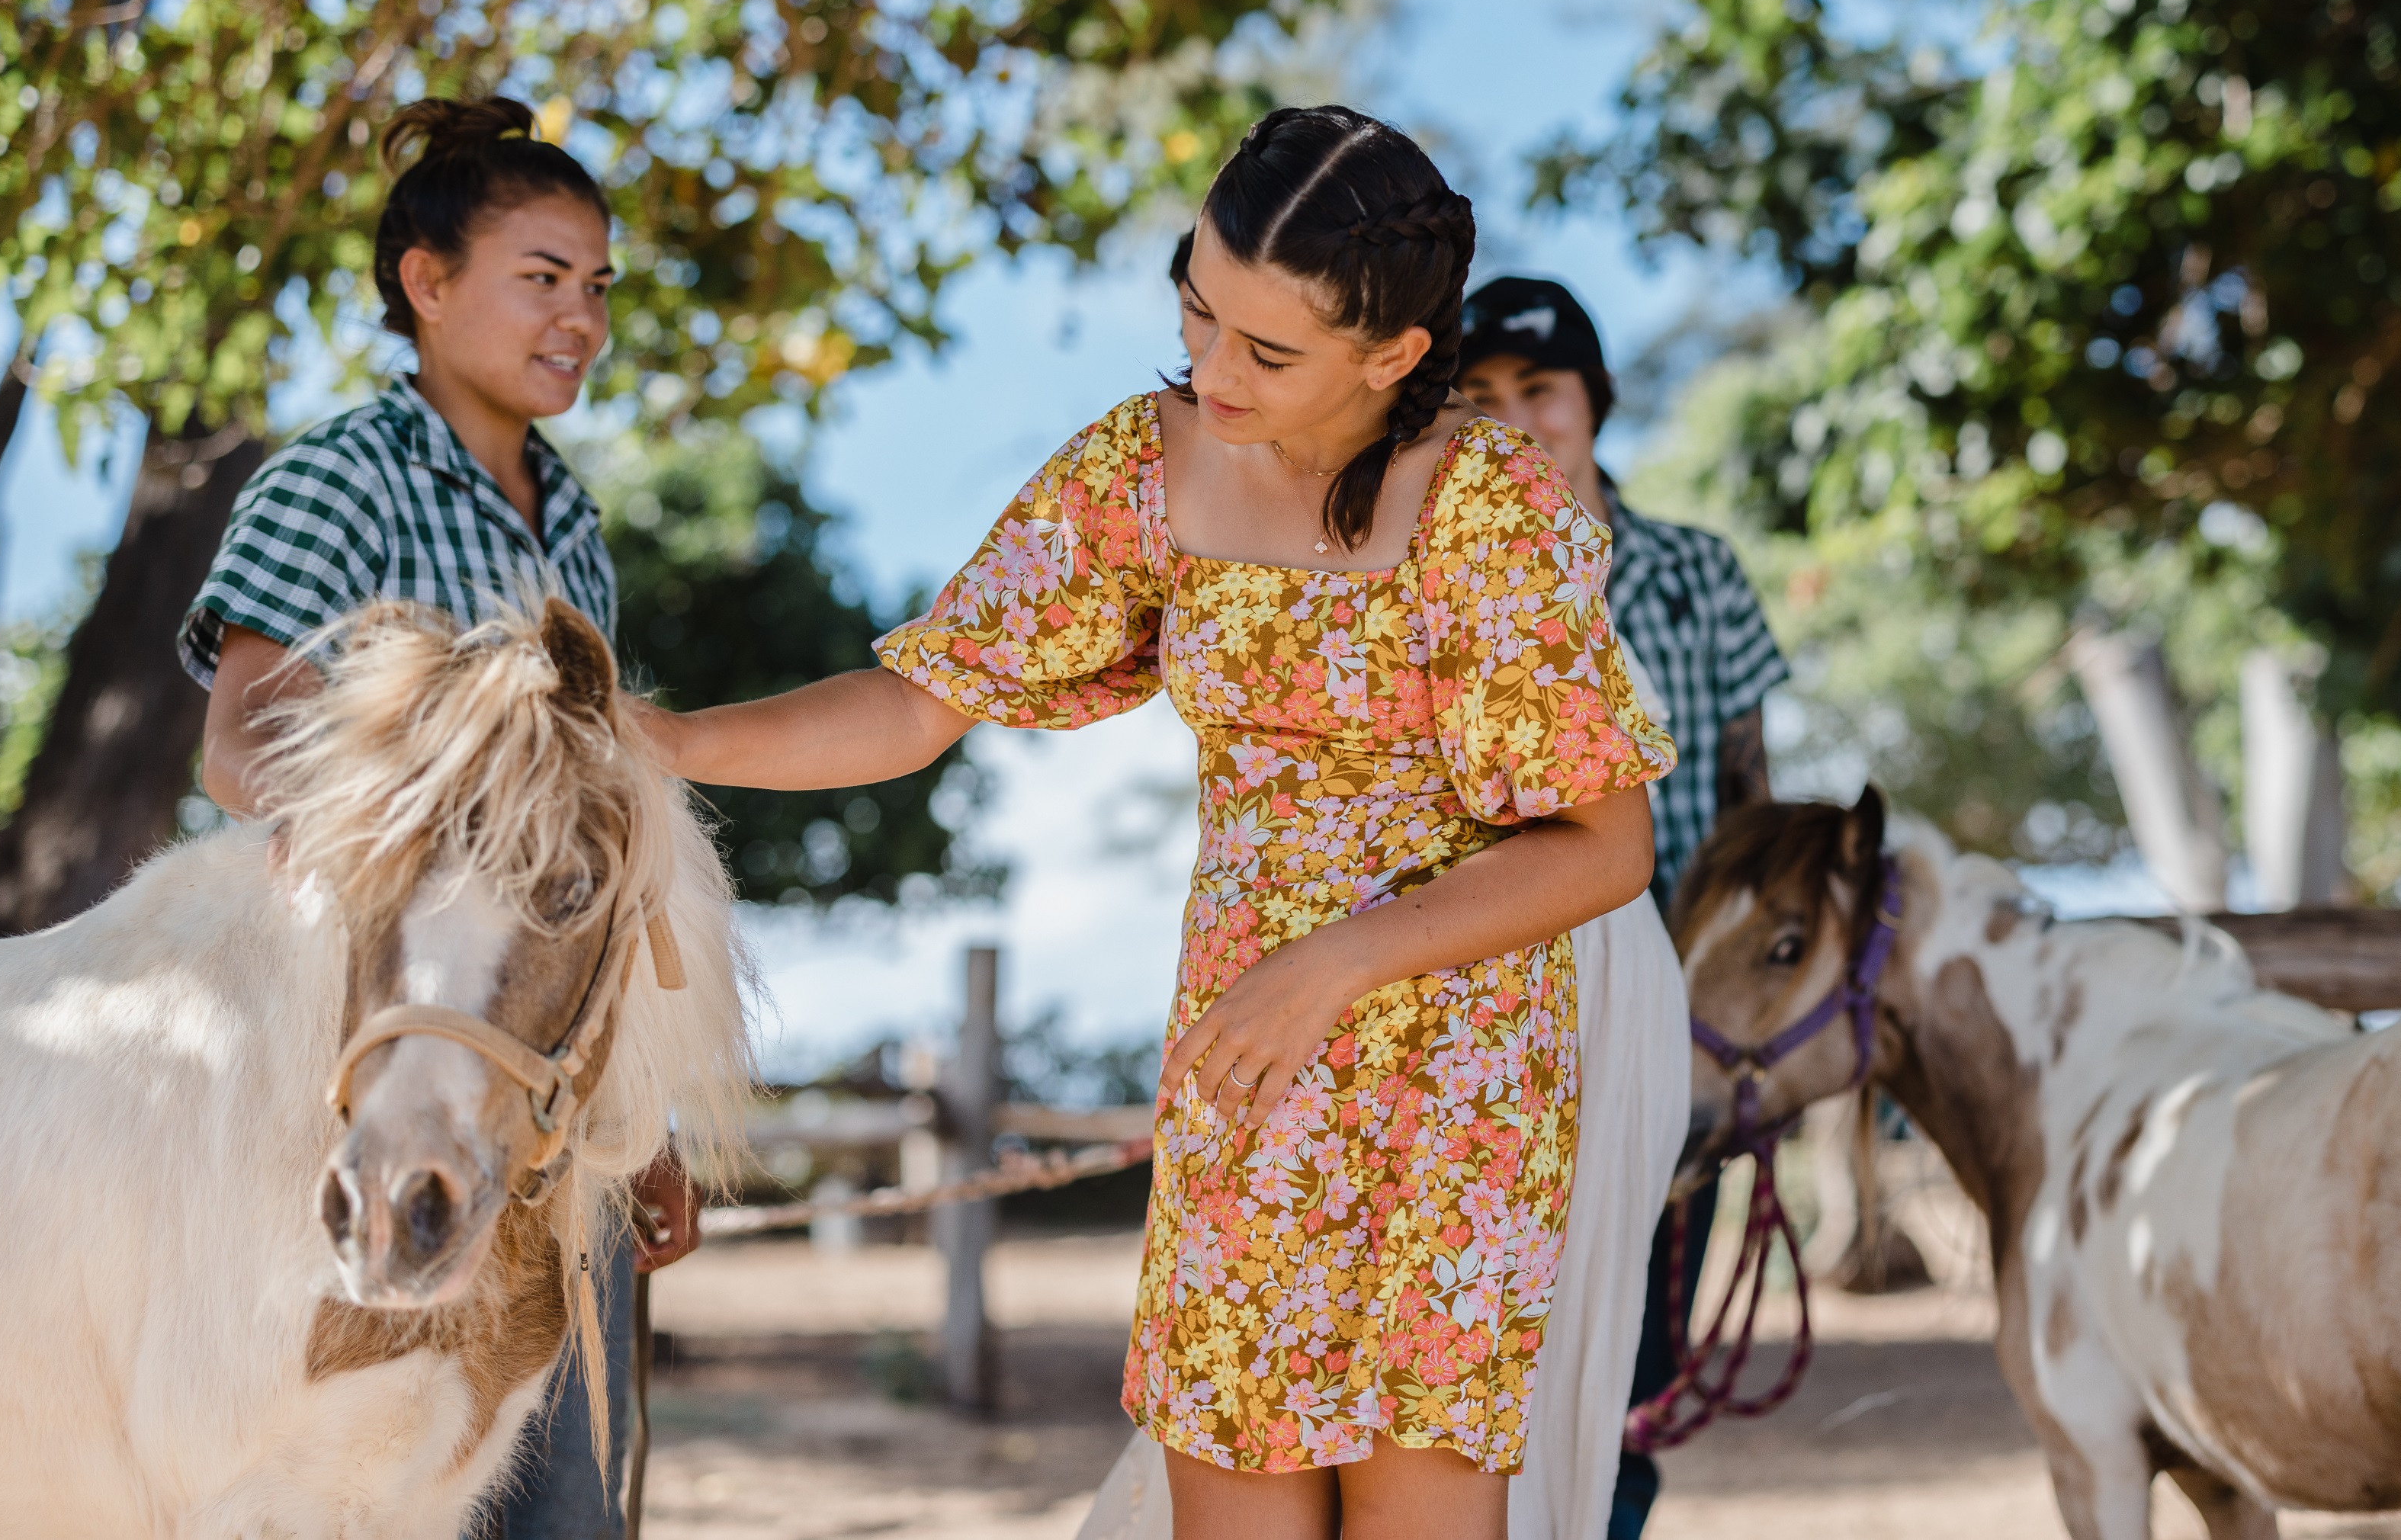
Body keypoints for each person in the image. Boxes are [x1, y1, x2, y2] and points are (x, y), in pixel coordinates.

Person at [637, 106, 1674, 1540]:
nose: (1212, 370)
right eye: (1197, 313)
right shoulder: (1141, 468)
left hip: (1460, 1094)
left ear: (1394, 358)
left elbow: (1605, 848)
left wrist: (1337, 960)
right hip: (1247, 1073)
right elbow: (925, 697)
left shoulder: (1491, 506)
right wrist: (678, 743)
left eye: (1267, 351)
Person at [179, 96, 701, 1540]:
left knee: (564, 1509)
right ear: (426, 281)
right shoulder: (341, 476)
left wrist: (640, 1117)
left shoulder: (572, 525)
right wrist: (436, 832)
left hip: (535, 1080)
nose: (582, 319)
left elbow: (580, 854)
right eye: (543, 278)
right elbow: (239, 749)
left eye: (598, 288)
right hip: (351, 1045)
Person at [1453, 275, 1790, 1540]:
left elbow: (1752, 801)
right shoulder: (1447, 574)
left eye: (1539, 390)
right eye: (1479, 396)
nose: (1515, 418)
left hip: (1669, 1016)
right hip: (1496, 996)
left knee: (1635, 1376)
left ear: (1592, 401)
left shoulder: (1698, 576)